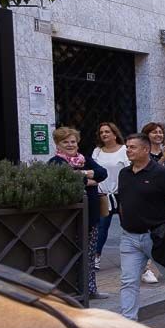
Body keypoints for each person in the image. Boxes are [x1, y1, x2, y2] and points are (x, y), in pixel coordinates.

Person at [116, 133, 165, 327]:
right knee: (128, 281)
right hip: (130, 237)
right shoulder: (124, 174)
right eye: (127, 147)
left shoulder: (160, 173)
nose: (128, 150)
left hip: (157, 235)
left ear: (145, 149)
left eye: (132, 147)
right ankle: (129, 323)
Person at [49, 127, 107, 299]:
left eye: (72, 141)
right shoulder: (56, 162)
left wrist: (82, 174)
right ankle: (74, 291)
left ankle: (90, 290)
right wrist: (87, 179)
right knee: (72, 255)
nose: (70, 145)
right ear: (58, 144)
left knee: (89, 254)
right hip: (71, 218)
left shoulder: (83, 159)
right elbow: (63, 180)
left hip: (91, 216)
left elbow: (102, 173)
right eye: (65, 142)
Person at [91, 121, 129, 269]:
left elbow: (128, 170)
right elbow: (94, 171)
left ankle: (131, 257)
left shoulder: (124, 150)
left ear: (114, 133)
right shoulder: (97, 151)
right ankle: (95, 257)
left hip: (121, 194)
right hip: (103, 194)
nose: (104, 135)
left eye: (107, 131)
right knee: (101, 227)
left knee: (127, 226)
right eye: (101, 132)